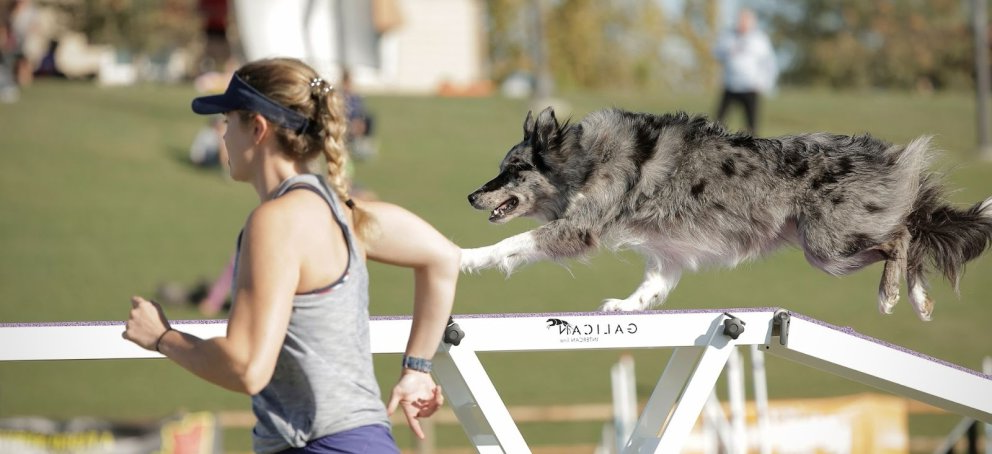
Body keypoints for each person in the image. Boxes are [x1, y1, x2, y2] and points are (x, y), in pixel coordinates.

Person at [123, 57, 460, 453]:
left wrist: (163, 338)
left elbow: (248, 368)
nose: (223, 134)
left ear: (258, 128)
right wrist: (416, 368)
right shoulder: (344, 213)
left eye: (228, 121)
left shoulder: (275, 221)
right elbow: (442, 257)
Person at [713, 8, 777, 135]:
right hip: (730, 85)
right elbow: (716, 52)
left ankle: (754, 151)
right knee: (718, 121)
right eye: (740, 20)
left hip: (750, 86)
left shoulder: (760, 40)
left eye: (745, 21)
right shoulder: (728, 36)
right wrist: (728, 50)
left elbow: (769, 63)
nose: (742, 23)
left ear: (752, 22)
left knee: (751, 124)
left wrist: (765, 83)